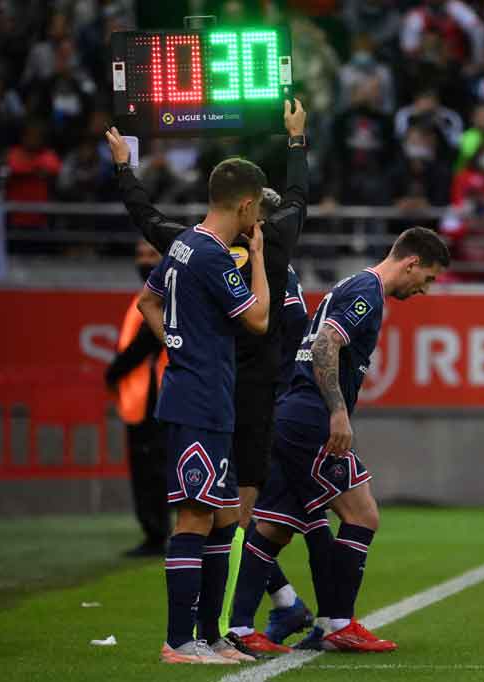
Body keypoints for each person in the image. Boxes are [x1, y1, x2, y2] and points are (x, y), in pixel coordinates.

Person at [227, 227, 450, 653]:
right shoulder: (367, 290)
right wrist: (337, 411)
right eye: (429, 278)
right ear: (412, 263)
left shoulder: (352, 283)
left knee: (274, 526)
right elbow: (327, 343)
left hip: (291, 415)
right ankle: (338, 624)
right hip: (311, 420)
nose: (425, 288)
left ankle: (239, 629)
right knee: (363, 514)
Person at [136, 154, 271, 665]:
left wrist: (177, 346)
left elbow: (146, 304)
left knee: (223, 516)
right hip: (198, 401)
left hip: (205, 395)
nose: (257, 222)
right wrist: (256, 257)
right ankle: (178, 640)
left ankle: (210, 636)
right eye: (257, 212)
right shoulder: (214, 254)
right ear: (245, 204)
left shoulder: (182, 246)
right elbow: (258, 317)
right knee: (195, 516)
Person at [104, 240, 169, 557]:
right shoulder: (145, 296)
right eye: (140, 255)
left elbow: (144, 344)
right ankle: (155, 531)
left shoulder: (159, 297)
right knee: (147, 469)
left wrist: (113, 372)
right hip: (139, 399)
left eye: (151, 255)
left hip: (151, 399)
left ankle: (157, 533)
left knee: (151, 470)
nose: (144, 261)